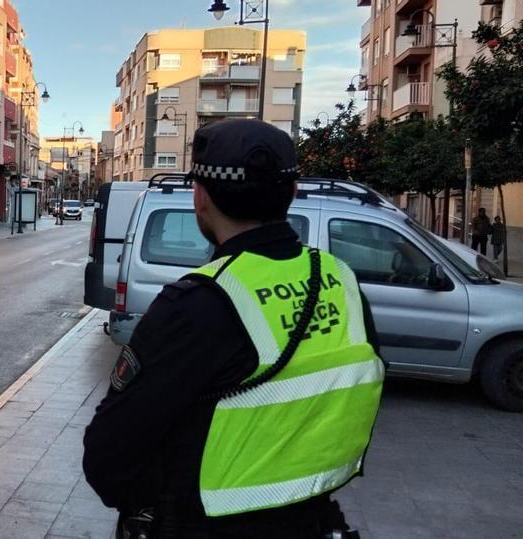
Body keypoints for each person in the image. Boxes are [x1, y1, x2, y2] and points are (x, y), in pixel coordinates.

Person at [82, 120, 384, 539]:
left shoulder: (195, 305)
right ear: (291, 194)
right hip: (314, 521)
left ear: (200, 197)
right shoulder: (342, 282)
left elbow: (107, 457)